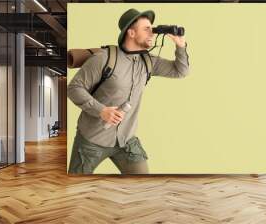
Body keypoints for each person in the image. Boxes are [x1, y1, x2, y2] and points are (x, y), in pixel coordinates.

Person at [67, 8, 190, 174]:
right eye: (146, 29)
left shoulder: (148, 61)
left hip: (126, 140)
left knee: (143, 186)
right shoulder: (104, 58)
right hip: (92, 141)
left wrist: (181, 46)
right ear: (131, 33)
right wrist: (101, 110)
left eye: (152, 29)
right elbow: (74, 88)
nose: (152, 33)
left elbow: (180, 71)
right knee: (76, 189)